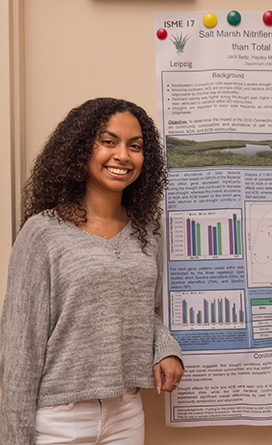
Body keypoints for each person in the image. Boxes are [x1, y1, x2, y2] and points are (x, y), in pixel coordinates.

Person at [0, 98, 184, 444]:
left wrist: (165, 347)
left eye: (136, 146)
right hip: (58, 418)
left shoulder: (148, 230)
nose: (123, 156)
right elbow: (18, 347)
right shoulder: (43, 232)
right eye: (108, 141)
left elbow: (144, 309)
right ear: (82, 149)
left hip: (126, 412)